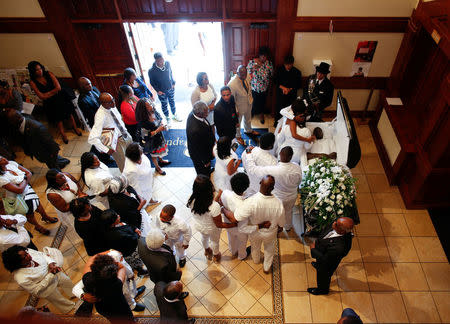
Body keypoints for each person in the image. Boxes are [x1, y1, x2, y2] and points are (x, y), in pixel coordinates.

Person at [222, 175, 284, 273]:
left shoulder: (250, 201)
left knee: (255, 247)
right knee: (269, 249)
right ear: (273, 188)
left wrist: (223, 209)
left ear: (260, 183)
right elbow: (281, 224)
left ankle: (256, 260)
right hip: (270, 233)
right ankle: (267, 267)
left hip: (255, 233)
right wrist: (279, 228)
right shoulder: (279, 203)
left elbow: (236, 217)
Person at [242, 146, 302, 232]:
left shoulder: (275, 170)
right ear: (291, 156)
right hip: (292, 195)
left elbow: (253, 170)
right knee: (289, 211)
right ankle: (288, 227)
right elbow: (299, 181)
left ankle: (275, 228)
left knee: (275, 214)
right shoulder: (297, 167)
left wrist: (248, 154)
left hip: (279, 197)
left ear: (280, 155)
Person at [2, 246, 75, 314]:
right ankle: (70, 308)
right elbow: (36, 290)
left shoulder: (28, 252)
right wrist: (50, 275)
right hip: (46, 288)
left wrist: (51, 263)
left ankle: (74, 293)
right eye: (25, 257)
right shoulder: (21, 278)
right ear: (17, 263)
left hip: (53, 272)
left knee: (66, 281)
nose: (29, 255)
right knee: (59, 300)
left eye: (26, 253)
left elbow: (42, 255)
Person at [0, 155, 57, 235]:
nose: (3, 158)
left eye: (1, 156)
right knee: (29, 210)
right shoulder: (1, 179)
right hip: (16, 197)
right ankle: (38, 226)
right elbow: (19, 190)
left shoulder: (11, 163)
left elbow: (28, 173)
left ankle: (45, 216)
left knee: (37, 202)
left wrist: (23, 181)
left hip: (27, 188)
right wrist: (25, 179)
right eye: (1, 159)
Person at [27, 61, 81, 144]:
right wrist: (52, 92)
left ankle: (75, 128)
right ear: (33, 72)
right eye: (37, 70)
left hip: (60, 97)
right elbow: (41, 96)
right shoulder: (32, 82)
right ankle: (63, 134)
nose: (39, 71)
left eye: (40, 68)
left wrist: (47, 93)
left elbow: (58, 87)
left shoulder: (49, 74)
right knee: (57, 118)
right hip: (50, 102)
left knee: (69, 113)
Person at [187, 175, 237, 262]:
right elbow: (219, 224)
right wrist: (233, 224)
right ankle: (216, 255)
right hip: (212, 229)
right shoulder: (214, 206)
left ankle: (206, 249)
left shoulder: (190, 199)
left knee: (204, 237)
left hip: (199, 226)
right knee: (214, 241)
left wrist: (218, 197)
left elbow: (204, 204)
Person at [4, 109, 70, 170]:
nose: (10, 124)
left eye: (10, 121)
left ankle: (59, 168)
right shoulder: (19, 125)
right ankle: (63, 162)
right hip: (40, 151)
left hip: (46, 151)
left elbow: (50, 141)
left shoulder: (37, 127)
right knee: (52, 160)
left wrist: (53, 153)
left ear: (17, 120)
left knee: (53, 166)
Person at [81, 253, 135, 321]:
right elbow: (121, 267)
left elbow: (90, 260)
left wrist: (83, 296)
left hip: (103, 308)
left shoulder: (87, 278)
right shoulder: (116, 284)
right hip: (120, 308)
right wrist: (114, 261)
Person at [308, 217, 354, 295]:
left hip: (327, 264)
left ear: (342, 231)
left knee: (323, 276)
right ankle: (317, 264)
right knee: (319, 264)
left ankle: (322, 290)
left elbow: (325, 259)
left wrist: (313, 249)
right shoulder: (336, 224)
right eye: (336, 222)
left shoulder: (340, 247)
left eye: (336, 224)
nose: (333, 223)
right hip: (322, 251)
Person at [88, 92, 132, 172]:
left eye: (113, 100)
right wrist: (106, 150)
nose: (113, 103)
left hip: (125, 135)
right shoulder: (100, 116)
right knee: (124, 164)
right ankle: (128, 181)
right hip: (116, 142)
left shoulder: (112, 106)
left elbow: (119, 121)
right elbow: (92, 138)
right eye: (110, 102)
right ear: (103, 103)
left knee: (132, 156)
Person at [100, 209, 147, 275]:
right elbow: (133, 239)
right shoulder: (118, 234)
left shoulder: (108, 227)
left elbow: (128, 226)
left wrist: (134, 228)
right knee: (137, 263)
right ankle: (141, 271)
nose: (119, 216)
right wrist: (137, 233)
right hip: (129, 251)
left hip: (125, 246)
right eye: (117, 216)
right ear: (113, 222)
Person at [217, 173, 251, 260]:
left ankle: (233, 250)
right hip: (241, 229)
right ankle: (242, 255)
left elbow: (220, 202)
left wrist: (223, 209)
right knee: (242, 243)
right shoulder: (244, 205)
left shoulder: (225, 193)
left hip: (228, 225)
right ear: (246, 187)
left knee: (231, 238)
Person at [135, 98, 170, 176]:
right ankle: (157, 168)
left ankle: (161, 160)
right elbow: (146, 135)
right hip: (151, 141)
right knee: (154, 155)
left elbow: (160, 118)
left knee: (159, 150)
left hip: (158, 136)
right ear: (143, 109)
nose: (151, 105)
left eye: (150, 103)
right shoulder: (142, 121)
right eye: (148, 105)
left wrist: (162, 124)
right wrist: (158, 130)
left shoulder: (153, 111)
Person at [277, 99, 315, 167]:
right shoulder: (306, 131)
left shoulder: (286, 127)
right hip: (296, 158)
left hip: (283, 153)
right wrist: (311, 140)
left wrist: (279, 133)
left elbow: (279, 140)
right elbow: (307, 147)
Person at [148, 52, 181, 124]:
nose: (161, 62)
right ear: (156, 61)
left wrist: (173, 83)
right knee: (164, 104)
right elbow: (152, 82)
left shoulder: (167, 63)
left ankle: (174, 115)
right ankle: (167, 117)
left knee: (172, 102)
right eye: (159, 61)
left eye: (162, 59)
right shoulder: (151, 71)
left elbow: (171, 73)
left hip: (170, 88)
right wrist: (157, 91)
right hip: (161, 91)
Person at [123, 142, 159, 206]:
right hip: (142, 187)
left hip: (147, 180)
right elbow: (134, 186)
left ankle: (150, 199)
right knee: (146, 196)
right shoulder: (131, 171)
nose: (141, 147)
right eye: (139, 148)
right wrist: (140, 197)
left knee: (150, 191)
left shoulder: (138, 156)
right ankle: (148, 202)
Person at [228, 65, 259, 137]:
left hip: (249, 102)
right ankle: (238, 135)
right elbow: (232, 100)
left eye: (245, 73)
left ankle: (248, 130)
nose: (244, 76)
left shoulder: (246, 75)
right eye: (242, 74)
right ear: (237, 73)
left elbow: (249, 79)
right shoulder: (232, 84)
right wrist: (236, 110)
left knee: (248, 119)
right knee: (238, 122)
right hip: (239, 107)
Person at [186, 101, 215, 176]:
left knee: (207, 169)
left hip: (205, 148)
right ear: (199, 114)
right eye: (206, 112)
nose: (208, 113)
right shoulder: (195, 130)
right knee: (203, 172)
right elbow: (199, 149)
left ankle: (207, 171)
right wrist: (205, 161)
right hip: (200, 157)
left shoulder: (194, 113)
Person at [247, 46, 273, 124]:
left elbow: (271, 74)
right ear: (260, 55)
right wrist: (253, 69)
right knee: (253, 101)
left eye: (265, 56)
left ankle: (261, 115)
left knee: (262, 102)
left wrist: (268, 75)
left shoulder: (269, 63)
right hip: (254, 87)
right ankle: (251, 113)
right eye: (262, 56)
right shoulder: (252, 62)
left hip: (264, 87)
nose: (264, 58)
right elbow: (247, 72)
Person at [273, 55, 302, 124]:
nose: (287, 66)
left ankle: (288, 123)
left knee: (290, 109)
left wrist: (289, 89)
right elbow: (275, 81)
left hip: (291, 94)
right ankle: (277, 122)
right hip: (280, 93)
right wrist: (283, 88)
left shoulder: (297, 72)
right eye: (286, 64)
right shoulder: (279, 70)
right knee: (279, 108)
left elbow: (298, 85)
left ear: (292, 64)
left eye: (289, 65)